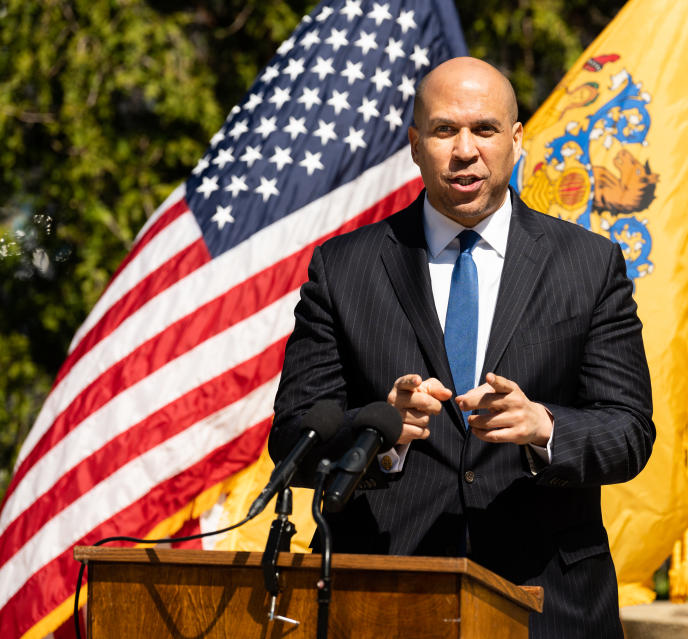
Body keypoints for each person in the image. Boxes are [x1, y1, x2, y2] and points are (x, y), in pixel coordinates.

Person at [271, 56, 655, 639]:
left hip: (550, 606)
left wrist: (543, 425)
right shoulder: (343, 268)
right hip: (386, 605)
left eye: (485, 129)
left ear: (517, 140)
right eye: (446, 130)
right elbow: (292, 440)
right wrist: (380, 434)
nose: (465, 149)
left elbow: (629, 433)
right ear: (416, 143)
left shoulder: (589, 264)